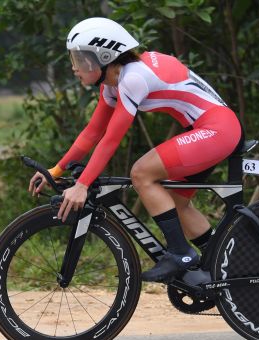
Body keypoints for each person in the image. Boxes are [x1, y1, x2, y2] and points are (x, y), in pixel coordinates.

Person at [29, 17, 242, 283]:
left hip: (218, 130)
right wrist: (56, 169)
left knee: (141, 173)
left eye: (80, 60)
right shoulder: (114, 82)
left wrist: (82, 185)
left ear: (104, 57)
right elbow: (93, 133)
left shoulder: (133, 79)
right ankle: (221, 264)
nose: (74, 68)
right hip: (210, 129)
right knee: (176, 202)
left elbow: (110, 140)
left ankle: (180, 253)